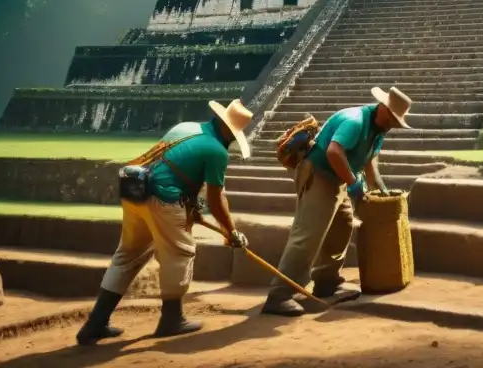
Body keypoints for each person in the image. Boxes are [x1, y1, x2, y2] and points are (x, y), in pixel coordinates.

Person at [76, 99, 253, 345]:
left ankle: (96, 322)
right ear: (229, 130)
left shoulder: (186, 127)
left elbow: (176, 168)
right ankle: (172, 319)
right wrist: (231, 231)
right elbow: (215, 197)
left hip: (136, 192)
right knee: (180, 254)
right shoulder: (216, 151)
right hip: (164, 201)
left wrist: (194, 209)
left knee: (127, 254)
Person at [261, 86, 412, 316]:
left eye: (396, 121)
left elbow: (370, 161)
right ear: (383, 108)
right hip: (319, 173)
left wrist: (379, 189)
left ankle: (327, 282)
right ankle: (279, 294)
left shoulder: (379, 128)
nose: (393, 123)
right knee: (308, 234)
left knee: (343, 226)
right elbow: (333, 152)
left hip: (338, 176)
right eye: (392, 118)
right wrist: (353, 182)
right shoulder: (355, 121)